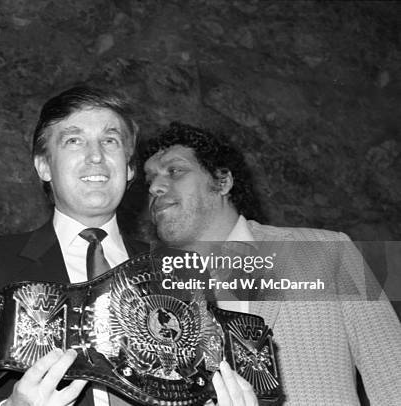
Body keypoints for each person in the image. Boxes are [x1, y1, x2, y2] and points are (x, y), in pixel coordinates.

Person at [0, 87, 255, 406]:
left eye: (110, 141)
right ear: (43, 165)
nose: (95, 156)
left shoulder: (180, 270)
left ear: (128, 168)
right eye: (74, 140)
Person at [143, 122, 401, 405]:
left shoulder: (327, 251)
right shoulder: (150, 294)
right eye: (149, 180)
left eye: (174, 171)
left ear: (222, 181)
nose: (155, 187)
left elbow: (393, 376)